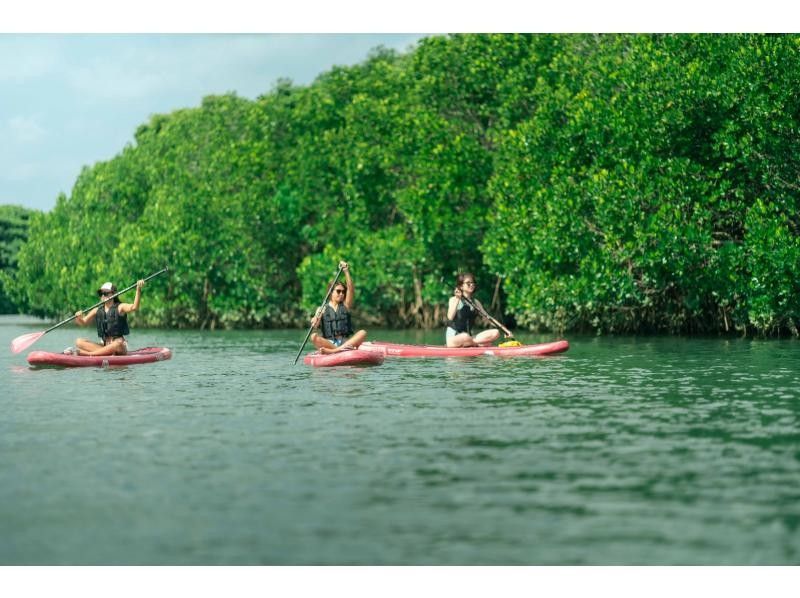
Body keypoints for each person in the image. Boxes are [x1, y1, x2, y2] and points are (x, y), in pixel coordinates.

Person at [65, 279, 145, 356]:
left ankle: (87, 354)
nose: (103, 296)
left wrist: (138, 289)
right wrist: (78, 317)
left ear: (113, 294)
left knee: (118, 343)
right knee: (79, 341)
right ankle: (102, 353)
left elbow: (134, 307)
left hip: (118, 347)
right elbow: (83, 322)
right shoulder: (97, 310)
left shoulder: (120, 307)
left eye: (106, 293)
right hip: (104, 346)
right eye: (101, 293)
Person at [310, 261, 367, 354]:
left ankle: (334, 351)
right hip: (329, 342)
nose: (341, 294)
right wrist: (316, 319)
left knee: (363, 332)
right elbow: (315, 326)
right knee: (313, 336)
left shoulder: (345, 305)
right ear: (331, 292)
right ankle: (336, 350)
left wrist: (346, 271)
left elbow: (351, 288)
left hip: (345, 342)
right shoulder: (321, 309)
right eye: (338, 291)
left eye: (343, 292)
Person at [445, 272, 500, 348]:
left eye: (473, 283)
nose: (472, 285)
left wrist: (505, 330)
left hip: (469, 338)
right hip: (454, 338)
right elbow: (450, 317)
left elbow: (488, 318)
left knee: (495, 332)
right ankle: (476, 344)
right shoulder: (453, 300)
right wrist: (458, 299)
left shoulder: (476, 302)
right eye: (468, 283)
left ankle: (471, 343)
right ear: (461, 286)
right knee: (465, 336)